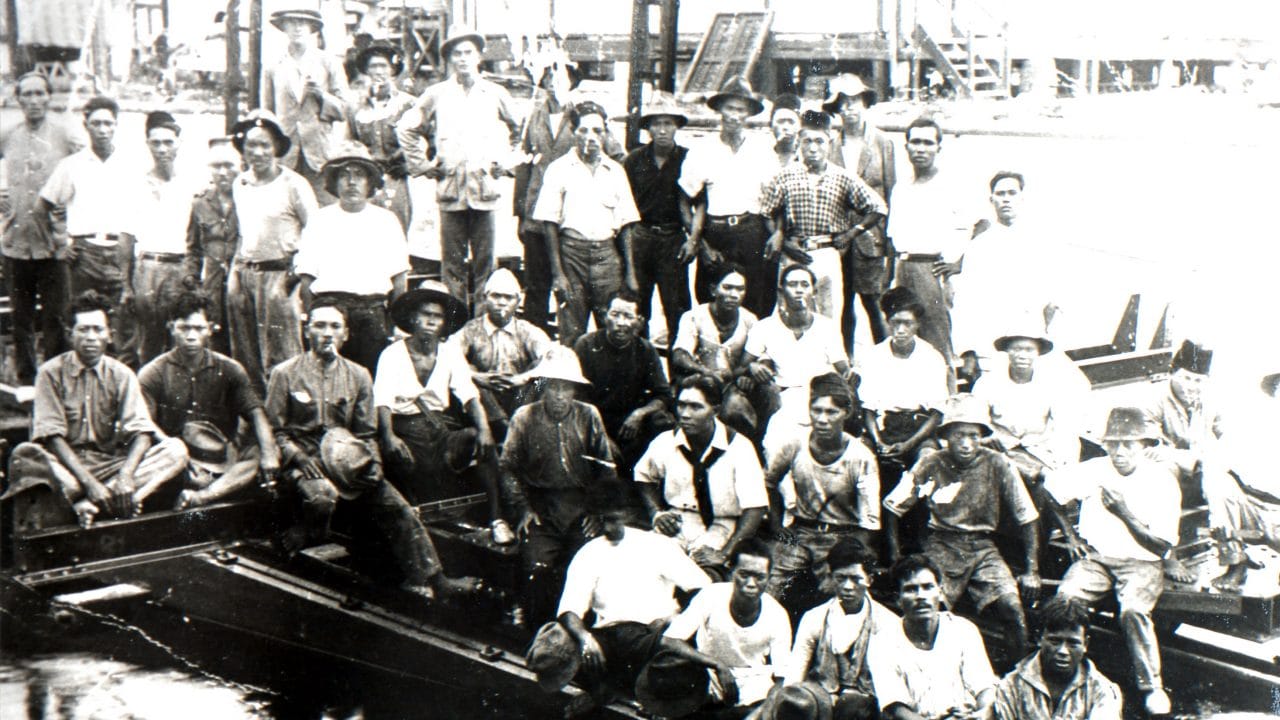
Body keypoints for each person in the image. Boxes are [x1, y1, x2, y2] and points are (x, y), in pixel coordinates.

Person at [266, 299, 483, 601]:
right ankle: (305, 535)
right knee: (321, 497)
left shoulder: (358, 376)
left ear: (345, 335)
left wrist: (374, 465)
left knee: (399, 508)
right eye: (319, 325)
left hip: (349, 463)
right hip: (305, 462)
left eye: (335, 327)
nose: (327, 333)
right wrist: (298, 457)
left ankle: (434, 577)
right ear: (307, 331)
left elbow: (367, 433)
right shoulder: (285, 374)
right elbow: (272, 431)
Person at [5, 291, 188, 528]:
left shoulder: (122, 374)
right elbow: (52, 438)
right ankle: (97, 501)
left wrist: (125, 477)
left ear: (109, 336)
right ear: (70, 335)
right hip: (65, 468)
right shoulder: (50, 373)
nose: (91, 337)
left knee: (176, 450)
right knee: (24, 454)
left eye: (98, 330)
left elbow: (141, 431)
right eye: (84, 330)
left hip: (109, 465)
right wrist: (90, 484)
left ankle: (94, 503)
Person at [1042, 407, 1180, 716]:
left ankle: (1151, 686)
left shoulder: (1162, 482)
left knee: (1133, 611)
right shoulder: (1094, 468)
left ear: (1144, 446)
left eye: (1128, 444)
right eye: (1112, 443)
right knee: (1066, 599)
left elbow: (1160, 547)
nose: (1118, 452)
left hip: (1142, 562)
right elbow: (1049, 489)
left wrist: (1124, 514)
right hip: (1097, 559)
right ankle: (1063, 673)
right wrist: (1070, 535)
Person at [883, 393, 1041, 653]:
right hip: (942, 544)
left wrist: (1031, 570)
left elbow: (1028, 516)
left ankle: (1018, 673)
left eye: (974, 436)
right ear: (947, 436)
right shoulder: (931, 462)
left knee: (1012, 607)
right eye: (959, 435)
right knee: (931, 611)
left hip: (982, 548)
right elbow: (893, 506)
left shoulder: (998, 463)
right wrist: (894, 557)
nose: (967, 444)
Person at [556, 480, 711, 718]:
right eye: (604, 519)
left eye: (615, 518)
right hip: (612, 636)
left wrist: (676, 617)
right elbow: (570, 609)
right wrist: (585, 637)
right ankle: (615, 688)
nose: (610, 527)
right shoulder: (589, 553)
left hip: (656, 632)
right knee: (567, 650)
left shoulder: (656, 544)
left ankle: (626, 691)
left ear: (627, 513)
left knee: (672, 652)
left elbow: (704, 588)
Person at [396, 27, 521, 313]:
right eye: (457, 53)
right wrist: (424, 165)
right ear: (450, 58)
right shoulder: (437, 94)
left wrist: (506, 162)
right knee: (451, 265)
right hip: (451, 192)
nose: (463, 59)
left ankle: (481, 323)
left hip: (484, 191)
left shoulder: (495, 93)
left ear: (478, 56)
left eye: (468, 52)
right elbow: (406, 128)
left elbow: (520, 130)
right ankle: (454, 324)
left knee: (485, 264)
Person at [373, 280, 506, 540]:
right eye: (426, 315)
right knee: (396, 455)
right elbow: (383, 401)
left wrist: (484, 429)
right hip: (405, 428)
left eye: (438, 317)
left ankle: (497, 517)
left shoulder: (449, 353)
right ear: (413, 319)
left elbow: (469, 395)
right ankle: (412, 516)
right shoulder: (392, 354)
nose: (432, 321)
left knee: (480, 441)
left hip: (439, 430)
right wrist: (388, 436)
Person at [500, 347, 617, 624]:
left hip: (580, 505)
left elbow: (606, 470)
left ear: (575, 390)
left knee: (587, 564)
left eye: (566, 388)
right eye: (553, 387)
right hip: (542, 505)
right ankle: (533, 623)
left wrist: (597, 512)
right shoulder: (524, 417)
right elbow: (507, 469)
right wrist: (524, 509)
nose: (559, 395)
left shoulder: (588, 415)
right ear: (544, 388)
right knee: (536, 566)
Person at [513, 59, 625, 335]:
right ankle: (536, 345)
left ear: (572, 82)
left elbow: (614, 154)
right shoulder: (535, 115)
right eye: (549, 78)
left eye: (560, 78)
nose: (554, 83)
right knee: (537, 285)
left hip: (573, 218)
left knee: (575, 291)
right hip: (539, 215)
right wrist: (520, 213)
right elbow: (524, 163)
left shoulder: (584, 117)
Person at [138, 292, 281, 509]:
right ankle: (205, 490)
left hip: (222, 459)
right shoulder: (153, 373)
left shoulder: (230, 369)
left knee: (265, 450)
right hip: (180, 462)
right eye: (184, 328)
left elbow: (256, 412)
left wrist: (269, 455)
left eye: (198, 328)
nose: (191, 336)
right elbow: (145, 426)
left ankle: (203, 497)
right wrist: (181, 459)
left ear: (210, 328)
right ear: (171, 327)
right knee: (167, 462)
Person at [765, 373, 880, 612]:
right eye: (816, 411)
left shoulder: (860, 457)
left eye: (831, 412)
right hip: (801, 531)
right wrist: (778, 527)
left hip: (841, 536)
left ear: (845, 413)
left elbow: (868, 524)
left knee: (837, 595)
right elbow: (769, 482)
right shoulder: (795, 444)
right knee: (769, 589)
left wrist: (848, 556)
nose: (822, 419)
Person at [759, 109, 886, 322]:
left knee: (829, 316)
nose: (813, 148)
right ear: (799, 142)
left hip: (827, 253)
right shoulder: (786, 175)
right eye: (807, 141)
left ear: (829, 143)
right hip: (794, 252)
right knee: (791, 314)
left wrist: (851, 233)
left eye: (819, 141)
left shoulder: (842, 177)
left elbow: (878, 207)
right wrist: (782, 241)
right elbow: (766, 212)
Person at [635, 374, 767, 579]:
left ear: (714, 410)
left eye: (696, 407)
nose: (685, 414)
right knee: (644, 568)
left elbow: (756, 508)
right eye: (681, 405)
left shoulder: (739, 447)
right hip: (678, 522)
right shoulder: (666, 442)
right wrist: (657, 513)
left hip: (721, 526)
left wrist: (725, 554)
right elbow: (643, 477)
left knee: (704, 577)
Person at [294, 141, 410, 374]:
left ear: (370, 183)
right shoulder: (320, 220)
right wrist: (313, 319)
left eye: (359, 175)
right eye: (344, 175)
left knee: (369, 378)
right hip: (330, 312)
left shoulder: (386, 221)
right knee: (326, 377)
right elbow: (306, 280)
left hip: (371, 313)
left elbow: (399, 280)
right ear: (335, 182)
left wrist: (394, 325)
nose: (351, 182)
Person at [533, 101, 642, 346]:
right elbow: (549, 223)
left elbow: (626, 225)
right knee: (572, 333)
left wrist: (630, 273)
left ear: (605, 134)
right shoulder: (558, 169)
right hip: (572, 256)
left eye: (597, 131)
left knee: (613, 329)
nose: (590, 137)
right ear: (573, 132)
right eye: (583, 130)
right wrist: (558, 274)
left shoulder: (615, 171)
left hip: (607, 258)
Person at [226, 109, 316, 395]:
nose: (258, 152)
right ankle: (255, 420)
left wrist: (296, 277)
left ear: (276, 148)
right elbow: (243, 234)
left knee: (282, 353)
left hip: (280, 277)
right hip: (246, 274)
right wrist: (235, 276)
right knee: (247, 353)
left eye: (265, 144)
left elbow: (315, 233)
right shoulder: (239, 184)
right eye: (252, 145)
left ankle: (288, 421)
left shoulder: (294, 184)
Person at [39, 96, 135, 359]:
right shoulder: (72, 165)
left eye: (108, 123)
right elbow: (45, 205)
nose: (103, 130)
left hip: (120, 252)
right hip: (84, 254)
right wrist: (60, 243)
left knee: (119, 324)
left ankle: (115, 385)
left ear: (116, 125)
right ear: (86, 126)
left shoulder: (131, 165)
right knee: (82, 321)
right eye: (96, 123)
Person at [884, 117, 983, 365]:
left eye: (928, 142)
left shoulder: (952, 184)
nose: (920, 148)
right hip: (903, 268)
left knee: (937, 340)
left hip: (932, 269)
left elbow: (981, 224)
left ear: (939, 148)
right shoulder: (901, 187)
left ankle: (945, 396)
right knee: (904, 339)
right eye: (915, 142)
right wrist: (889, 276)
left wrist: (959, 261)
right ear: (906, 146)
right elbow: (892, 235)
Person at [678, 76, 779, 317]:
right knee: (709, 298)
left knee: (755, 300)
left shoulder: (762, 149)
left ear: (748, 114)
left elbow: (778, 198)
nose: (735, 115)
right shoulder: (701, 150)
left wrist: (778, 232)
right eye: (730, 108)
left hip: (752, 232)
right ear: (720, 111)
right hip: (716, 233)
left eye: (741, 109)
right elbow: (684, 198)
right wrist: (699, 243)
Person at [1, 71, 79, 384]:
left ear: (49, 97)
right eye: (27, 95)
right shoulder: (8, 134)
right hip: (16, 241)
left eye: (39, 94)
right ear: (17, 99)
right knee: (21, 320)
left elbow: (88, 172)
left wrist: (72, 208)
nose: (34, 101)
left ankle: (57, 382)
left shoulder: (65, 134)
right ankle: (26, 382)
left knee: (55, 319)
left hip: (53, 242)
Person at [657, 538, 793, 712]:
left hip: (751, 681)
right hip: (707, 672)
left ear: (769, 578)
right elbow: (670, 640)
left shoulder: (777, 614)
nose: (751, 584)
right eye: (744, 574)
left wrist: (764, 710)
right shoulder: (712, 595)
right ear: (731, 572)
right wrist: (717, 665)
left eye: (759, 577)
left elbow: (782, 676)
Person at [949, 172, 1061, 379]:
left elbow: (1053, 300)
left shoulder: (1041, 242)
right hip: (991, 344)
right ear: (992, 200)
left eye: (1012, 193)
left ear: (1022, 198)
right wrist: (968, 351)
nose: (1006, 198)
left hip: (1030, 344)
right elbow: (966, 301)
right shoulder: (979, 247)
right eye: (1000, 194)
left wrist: (1046, 337)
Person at [868, 553, 999, 720]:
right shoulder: (882, 642)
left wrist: (983, 713)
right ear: (897, 599)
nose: (921, 596)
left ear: (941, 592)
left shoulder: (963, 630)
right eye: (910, 589)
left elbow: (984, 686)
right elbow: (896, 707)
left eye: (928, 587)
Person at [741, 265, 851, 450]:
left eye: (804, 285)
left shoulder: (827, 327)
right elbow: (741, 367)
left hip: (821, 398)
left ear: (814, 291)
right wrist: (751, 367)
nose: (799, 290)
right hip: (785, 399)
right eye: (792, 284)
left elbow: (844, 369)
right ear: (781, 291)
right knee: (779, 445)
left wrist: (849, 376)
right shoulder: (765, 327)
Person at [785, 538, 898, 718]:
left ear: (869, 579)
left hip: (866, 707)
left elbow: (890, 685)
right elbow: (795, 673)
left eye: (855, 578)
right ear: (831, 577)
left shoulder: (888, 623)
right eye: (841, 578)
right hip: (821, 701)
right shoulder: (814, 618)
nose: (847, 587)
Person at [1141, 340, 1224, 583]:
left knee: (1224, 472)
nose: (1192, 386)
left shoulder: (1210, 401)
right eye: (1186, 378)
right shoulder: (1153, 399)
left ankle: (1232, 550)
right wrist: (1190, 457)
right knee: (1162, 472)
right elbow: (1149, 448)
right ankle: (1166, 552)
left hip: (1198, 471)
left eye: (1198, 380)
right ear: (1172, 374)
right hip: (1169, 474)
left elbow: (1223, 438)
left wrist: (1193, 456)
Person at [824, 73, 896, 348]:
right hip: (837, 238)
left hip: (870, 237)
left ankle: (886, 358)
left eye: (854, 101)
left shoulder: (882, 143)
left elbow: (891, 194)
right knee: (841, 304)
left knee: (873, 302)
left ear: (865, 103)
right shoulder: (830, 145)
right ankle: (846, 363)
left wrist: (889, 243)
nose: (848, 109)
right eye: (842, 103)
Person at [971, 327, 1087, 485]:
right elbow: (976, 419)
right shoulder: (987, 383)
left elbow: (1064, 427)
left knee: (1056, 482)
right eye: (1017, 349)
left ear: (1037, 353)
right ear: (1007, 351)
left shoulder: (1052, 384)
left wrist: (1063, 463)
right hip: (1000, 448)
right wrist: (988, 437)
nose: (1022, 355)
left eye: (1029, 350)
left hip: (1038, 449)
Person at [130, 111, 202, 366]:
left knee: (182, 339)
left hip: (181, 268)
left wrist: (193, 273)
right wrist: (128, 284)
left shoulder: (194, 182)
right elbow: (127, 236)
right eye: (156, 143)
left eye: (168, 142)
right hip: (148, 267)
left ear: (179, 143)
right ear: (148, 144)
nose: (162, 149)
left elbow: (199, 234)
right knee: (148, 340)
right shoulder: (137, 183)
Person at [622, 91, 692, 350]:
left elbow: (700, 203)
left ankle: (678, 379)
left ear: (676, 126)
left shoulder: (688, 159)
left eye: (668, 123)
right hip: (640, 238)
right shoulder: (632, 161)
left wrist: (693, 239)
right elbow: (622, 208)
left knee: (678, 311)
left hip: (673, 240)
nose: (662, 130)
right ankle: (638, 377)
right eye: (657, 123)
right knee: (637, 310)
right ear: (648, 128)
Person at [573, 290, 675, 466]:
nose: (621, 323)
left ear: (639, 322)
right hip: (593, 420)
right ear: (605, 317)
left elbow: (663, 394)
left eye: (628, 316)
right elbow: (577, 397)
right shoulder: (586, 345)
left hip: (628, 424)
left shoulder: (645, 350)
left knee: (662, 422)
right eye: (615, 315)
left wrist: (639, 414)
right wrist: (601, 436)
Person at [451, 268, 553, 438]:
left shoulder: (527, 330)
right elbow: (449, 359)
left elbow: (552, 358)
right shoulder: (469, 330)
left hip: (520, 397)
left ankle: (512, 426)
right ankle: (505, 428)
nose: (502, 302)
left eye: (508, 297)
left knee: (541, 375)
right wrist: (477, 377)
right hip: (485, 401)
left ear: (518, 301)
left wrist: (522, 378)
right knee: (465, 369)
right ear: (484, 298)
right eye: (496, 296)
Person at [1203, 368, 1280, 590]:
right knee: (1219, 483)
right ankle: (1236, 564)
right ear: (1274, 394)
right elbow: (1217, 462)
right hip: (1252, 511)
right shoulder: (1249, 427)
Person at [858, 287, 949, 473]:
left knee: (928, 460)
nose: (901, 330)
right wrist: (879, 443)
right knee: (858, 459)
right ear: (888, 322)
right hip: (884, 428)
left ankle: (903, 501)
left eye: (907, 323)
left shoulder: (932, 358)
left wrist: (909, 444)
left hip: (918, 431)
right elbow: (867, 410)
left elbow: (936, 414)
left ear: (917, 325)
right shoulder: (873, 356)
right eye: (896, 323)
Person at [260, 7, 349, 197]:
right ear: (283, 27)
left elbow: (344, 110)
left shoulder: (328, 62)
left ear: (312, 28)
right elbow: (266, 113)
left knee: (321, 209)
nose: (297, 27)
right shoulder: (273, 65)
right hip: (285, 153)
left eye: (303, 23)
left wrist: (321, 94)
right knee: (285, 209)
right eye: (291, 22)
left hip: (318, 154)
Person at [992, 596, 1122, 720]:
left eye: (1072, 643)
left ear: (1085, 644)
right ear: (1039, 638)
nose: (1063, 651)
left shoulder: (1102, 691)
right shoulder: (1011, 687)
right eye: (1055, 641)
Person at [670, 265, 760, 434]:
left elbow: (756, 357)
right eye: (727, 288)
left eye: (740, 289)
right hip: (699, 382)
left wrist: (747, 375)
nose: (733, 295)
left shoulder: (750, 320)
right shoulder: (694, 316)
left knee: (736, 410)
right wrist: (704, 371)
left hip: (731, 385)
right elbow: (679, 355)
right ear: (713, 290)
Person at [345, 40, 418, 231]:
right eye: (373, 66)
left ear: (393, 70)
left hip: (397, 178)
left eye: (383, 66)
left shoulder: (408, 105)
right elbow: (350, 140)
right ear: (366, 71)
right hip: (366, 178)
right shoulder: (355, 107)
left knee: (396, 227)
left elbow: (422, 141)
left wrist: (406, 162)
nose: (379, 72)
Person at [184, 137, 241, 354]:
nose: (223, 172)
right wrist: (192, 280)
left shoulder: (249, 198)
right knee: (214, 345)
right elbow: (193, 248)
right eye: (217, 166)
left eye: (229, 165)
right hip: (212, 288)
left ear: (240, 166)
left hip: (241, 287)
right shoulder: (200, 202)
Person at [769, 92, 802, 169]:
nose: (785, 127)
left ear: (799, 125)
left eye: (791, 122)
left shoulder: (804, 155)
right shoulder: (763, 154)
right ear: (771, 126)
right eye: (780, 122)